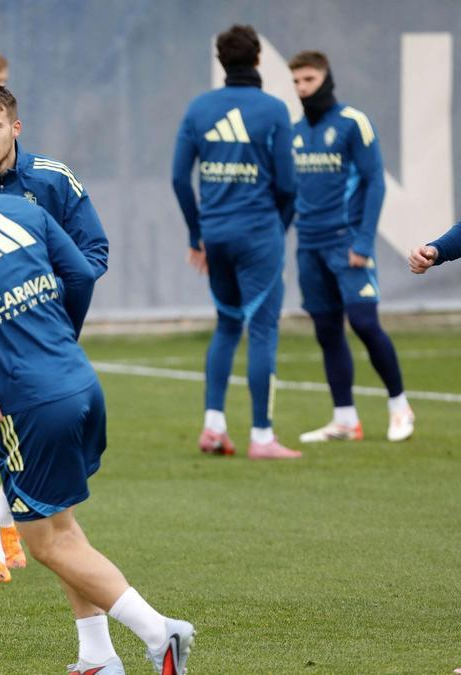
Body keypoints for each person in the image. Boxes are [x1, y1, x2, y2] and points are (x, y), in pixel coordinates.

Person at [0, 126, 194, 675]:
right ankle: (97, 657)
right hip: (79, 381)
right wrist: (58, 336)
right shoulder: (24, 210)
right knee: (61, 526)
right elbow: (79, 271)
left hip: (26, 402)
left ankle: (159, 633)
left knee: (46, 543)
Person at [0, 84, 109, 587]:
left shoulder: (52, 180)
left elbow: (93, 254)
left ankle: (16, 525)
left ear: (15, 128)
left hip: (34, 336)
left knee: (21, 434)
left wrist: (44, 302)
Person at [171, 24, 300, 459]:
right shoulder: (273, 110)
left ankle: (213, 426)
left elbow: (178, 178)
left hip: (217, 236)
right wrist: (278, 227)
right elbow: (288, 184)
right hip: (258, 233)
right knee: (261, 328)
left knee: (227, 324)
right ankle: (261, 436)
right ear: (258, 59)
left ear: (222, 61)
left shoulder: (199, 108)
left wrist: (196, 233)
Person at [288, 50, 413, 443]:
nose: (301, 88)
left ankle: (399, 406)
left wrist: (363, 240)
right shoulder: (294, 131)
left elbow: (375, 181)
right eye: (295, 82)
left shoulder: (353, 123)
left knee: (363, 322)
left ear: (325, 78)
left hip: (347, 245)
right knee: (326, 329)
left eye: (307, 80)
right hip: (308, 246)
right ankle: (345, 419)